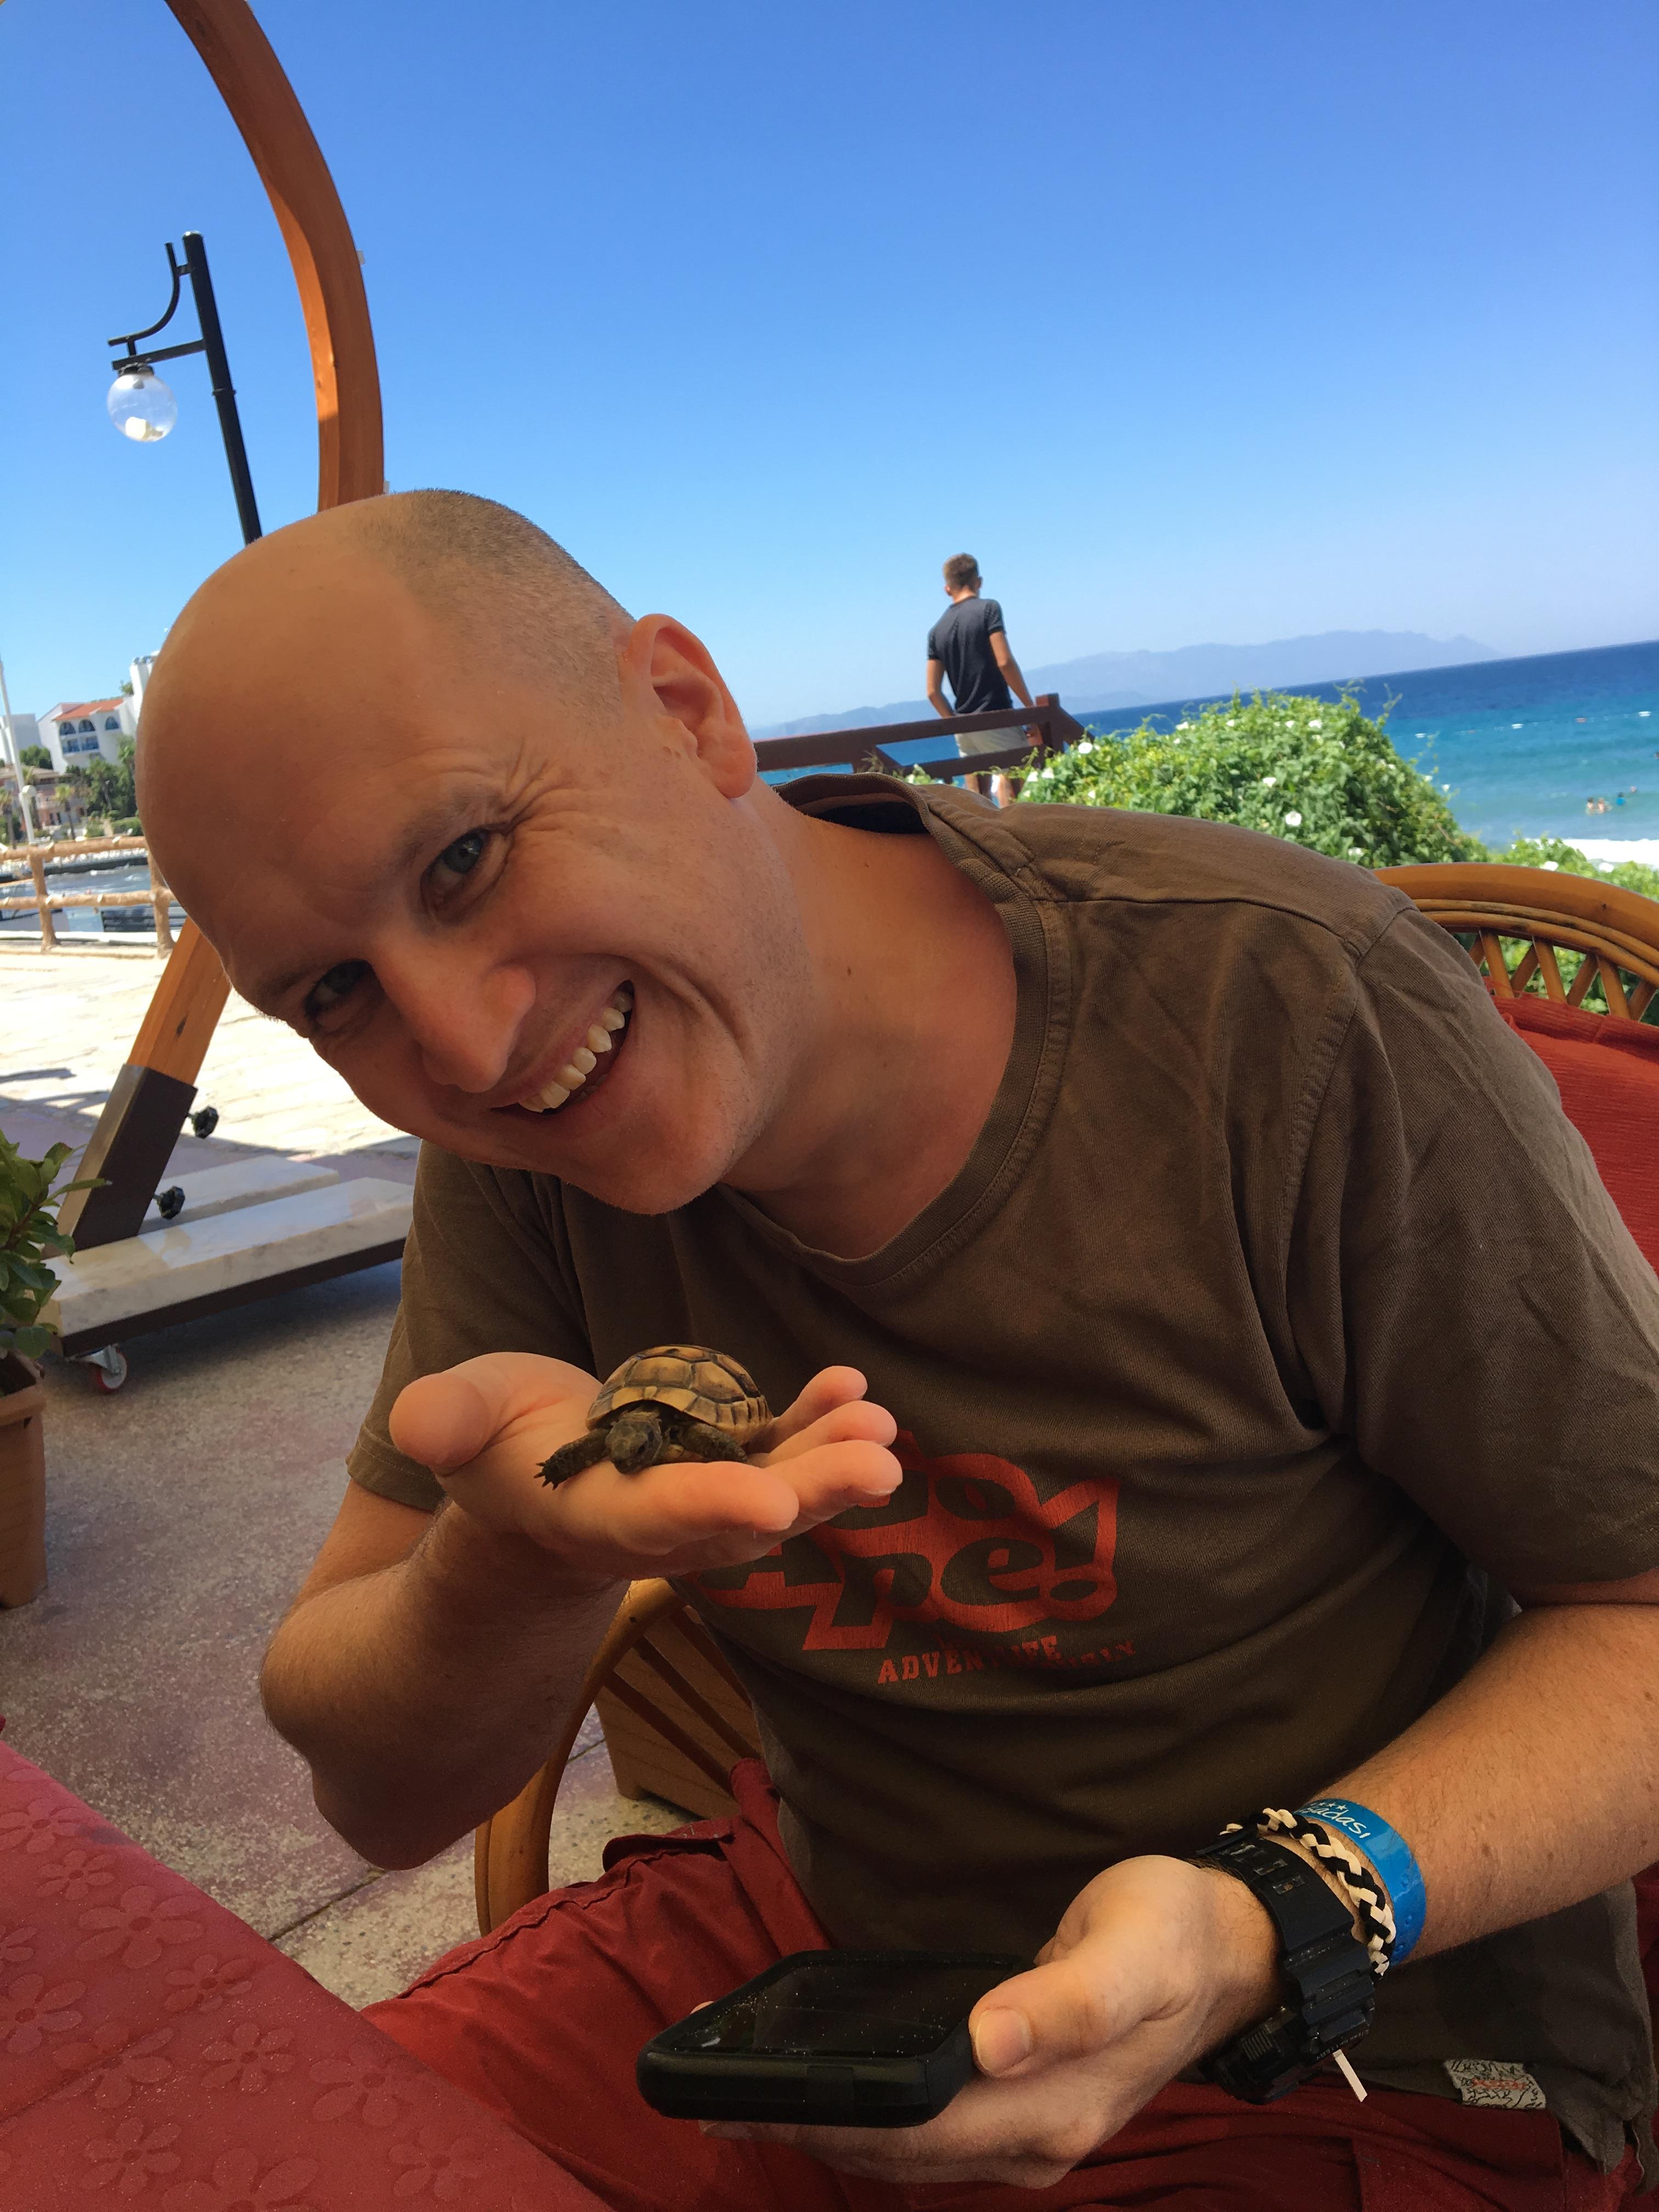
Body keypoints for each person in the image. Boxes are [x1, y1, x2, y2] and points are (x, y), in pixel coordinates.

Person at [137, 491, 1659, 2212]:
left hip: (1350, 2033)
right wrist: (518, 1555)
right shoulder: (529, 1145)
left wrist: (1271, 1913)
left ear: (684, 711)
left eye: (466, 860)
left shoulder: (1284, 1011)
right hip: (829, 1972)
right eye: (334, 993)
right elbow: (376, 1793)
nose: (468, 1047)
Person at [925, 555, 1037, 808]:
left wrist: (956, 725)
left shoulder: (936, 631)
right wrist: (1030, 709)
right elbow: (1005, 662)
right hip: (996, 714)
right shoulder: (989, 610)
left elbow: (933, 692)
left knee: (976, 799)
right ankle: (1011, 833)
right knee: (1014, 788)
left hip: (964, 722)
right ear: (979, 582)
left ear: (947, 589)